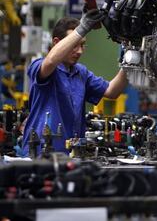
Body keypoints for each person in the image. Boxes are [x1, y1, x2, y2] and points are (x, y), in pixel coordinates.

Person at [22, 9, 128, 155]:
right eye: (74, 45)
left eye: (82, 45)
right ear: (56, 43)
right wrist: (82, 29)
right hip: (39, 153)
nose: (79, 51)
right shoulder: (41, 66)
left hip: (71, 155)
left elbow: (112, 91)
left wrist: (130, 61)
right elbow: (51, 61)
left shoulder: (81, 73)